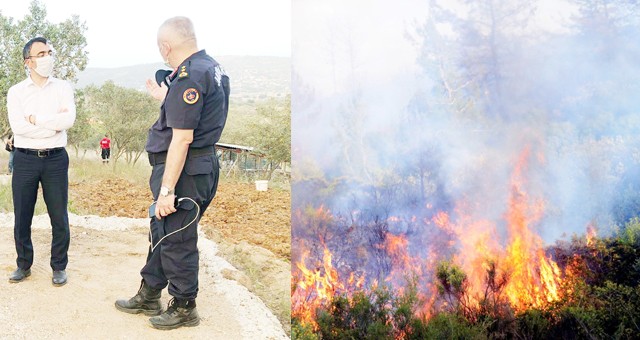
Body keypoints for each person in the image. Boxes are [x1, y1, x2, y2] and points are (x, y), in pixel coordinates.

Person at [115, 17, 230, 330]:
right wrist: (168, 100)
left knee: (177, 236)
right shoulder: (210, 67)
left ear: (165, 47)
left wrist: (167, 190)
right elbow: (203, 114)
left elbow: (183, 138)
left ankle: (183, 305)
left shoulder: (189, 75)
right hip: (197, 165)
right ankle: (150, 291)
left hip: (185, 170)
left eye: (161, 48)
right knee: (162, 231)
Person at [6, 37, 76, 286]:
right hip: (25, 160)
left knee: (59, 215)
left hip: (56, 160)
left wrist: (36, 120)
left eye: (49, 52)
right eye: (41, 53)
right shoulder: (16, 92)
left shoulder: (63, 88)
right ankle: (23, 265)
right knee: (22, 215)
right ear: (29, 61)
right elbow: (18, 127)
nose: (47, 57)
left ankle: (59, 266)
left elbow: (68, 121)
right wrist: (51, 125)